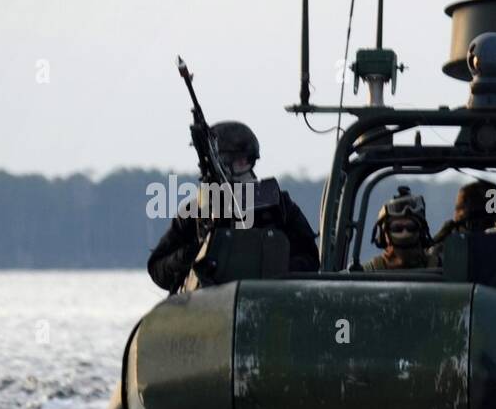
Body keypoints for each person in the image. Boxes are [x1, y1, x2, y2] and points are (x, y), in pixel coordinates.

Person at [147, 121, 319, 292]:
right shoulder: (197, 212)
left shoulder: (277, 205)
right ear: (218, 163)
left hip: (271, 299)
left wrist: (270, 266)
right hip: (208, 304)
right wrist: (196, 253)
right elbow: (158, 270)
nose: (243, 164)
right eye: (236, 160)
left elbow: (310, 259)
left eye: (247, 159)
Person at [361, 186, 432, 271]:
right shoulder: (368, 272)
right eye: (397, 228)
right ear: (386, 234)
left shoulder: (439, 267)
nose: (405, 233)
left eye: (411, 227)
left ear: (421, 232)